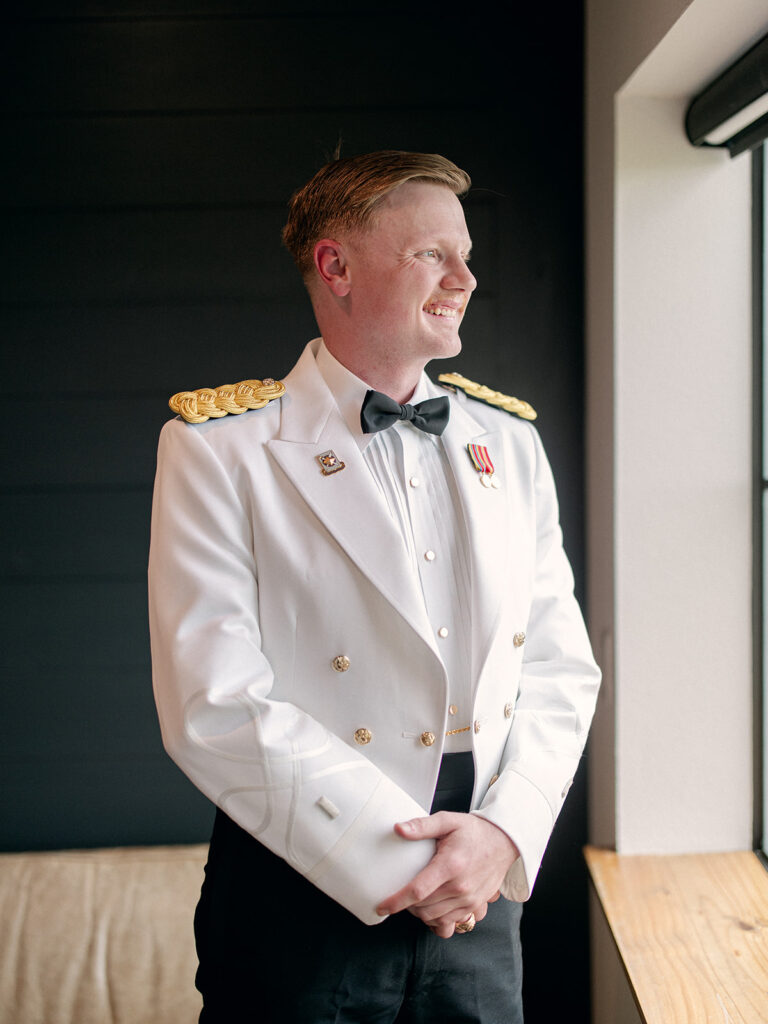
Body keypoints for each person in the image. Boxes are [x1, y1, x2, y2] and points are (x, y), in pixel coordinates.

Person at [148, 150, 601, 1023]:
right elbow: (213, 702)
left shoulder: (510, 442)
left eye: (466, 255)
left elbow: (559, 666)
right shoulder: (219, 450)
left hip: (479, 890)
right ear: (336, 265)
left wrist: (501, 836)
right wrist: (407, 867)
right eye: (434, 253)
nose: (466, 278)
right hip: (299, 885)